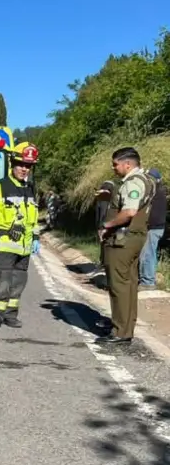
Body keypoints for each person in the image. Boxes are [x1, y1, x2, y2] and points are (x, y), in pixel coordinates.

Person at [0, 142, 41, 330]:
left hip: (24, 247)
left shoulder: (30, 188)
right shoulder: (0, 186)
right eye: (20, 164)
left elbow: (33, 220)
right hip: (4, 244)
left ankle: (10, 315)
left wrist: (36, 239)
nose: (24, 169)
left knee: (19, 283)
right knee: (3, 283)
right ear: (12, 164)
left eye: (28, 166)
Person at [97, 147, 156, 345]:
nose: (113, 168)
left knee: (118, 285)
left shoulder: (133, 183)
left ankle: (120, 331)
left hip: (123, 240)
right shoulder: (148, 180)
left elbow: (129, 212)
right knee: (129, 284)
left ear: (127, 164)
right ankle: (125, 326)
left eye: (116, 164)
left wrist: (107, 225)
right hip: (135, 238)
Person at [139, 168, 166, 290]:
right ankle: (149, 279)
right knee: (151, 253)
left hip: (153, 228)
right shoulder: (160, 191)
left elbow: (152, 214)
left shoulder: (155, 192)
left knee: (147, 254)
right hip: (158, 227)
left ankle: (147, 282)